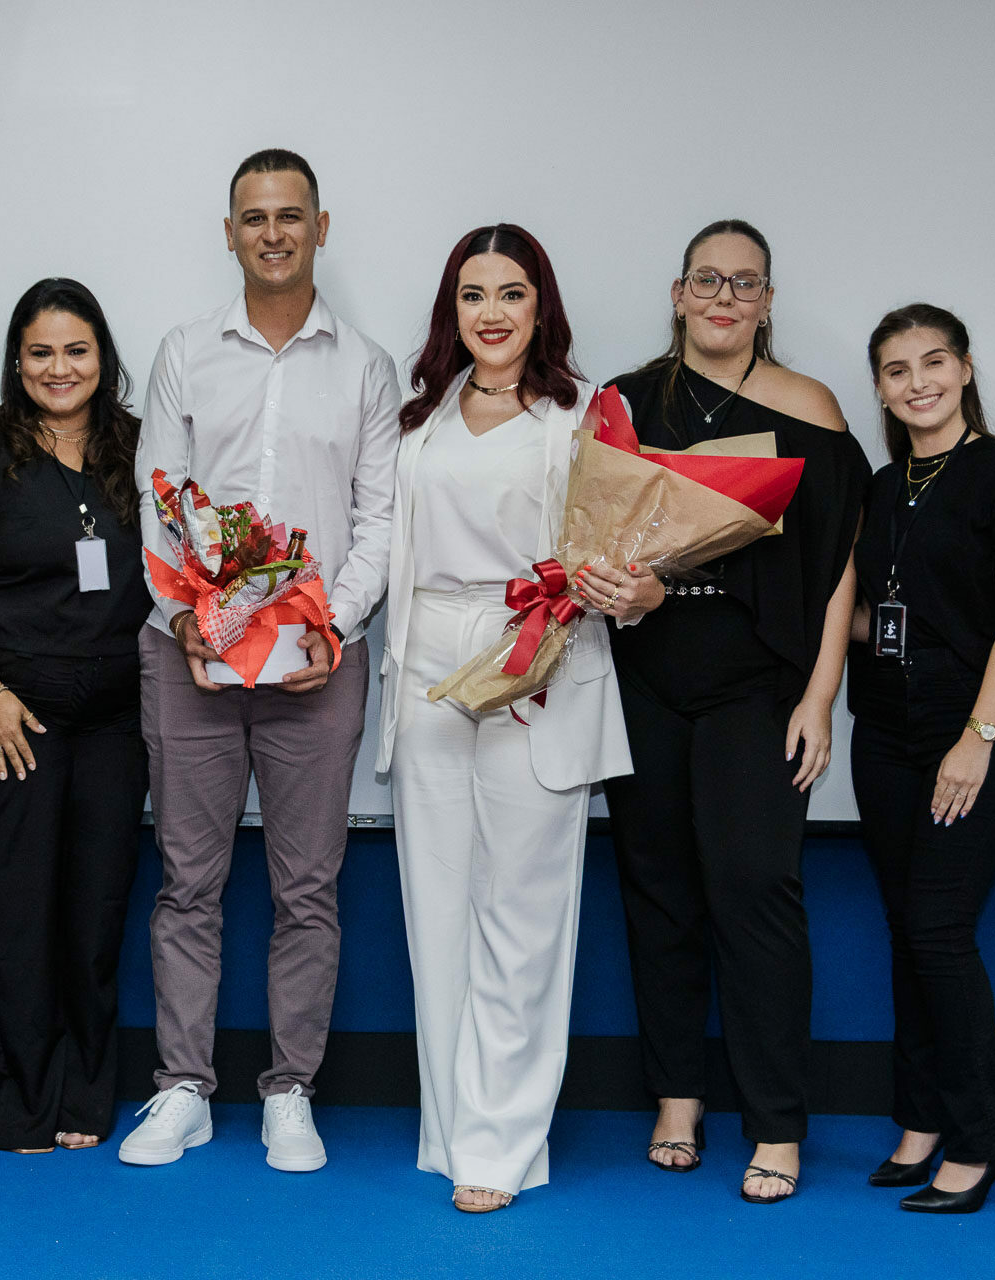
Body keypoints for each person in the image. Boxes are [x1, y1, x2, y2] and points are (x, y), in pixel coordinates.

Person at [119, 149, 400, 1172]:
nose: (272, 233)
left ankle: (290, 1090)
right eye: (254, 217)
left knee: (307, 889)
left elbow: (380, 517)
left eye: (290, 216)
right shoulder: (185, 352)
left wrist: (336, 621)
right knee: (187, 882)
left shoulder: (366, 367)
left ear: (321, 228)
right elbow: (159, 495)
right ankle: (184, 1088)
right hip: (192, 656)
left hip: (320, 662)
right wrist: (184, 617)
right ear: (229, 232)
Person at [582, 219, 869, 1205]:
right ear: (677, 293)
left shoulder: (811, 407)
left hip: (759, 685)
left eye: (745, 283)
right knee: (658, 889)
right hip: (647, 679)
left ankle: (777, 1122)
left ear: (768, 302)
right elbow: (592, 535)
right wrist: (620, 584)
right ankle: (677, 1097)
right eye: (708, 280)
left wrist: (822, 697)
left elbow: (838, 565)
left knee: (756, 890)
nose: (724, 297)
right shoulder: (626, 401)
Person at [376, 225, 631, 1212]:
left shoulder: (584, 414)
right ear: (453, 309)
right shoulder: (419, 418)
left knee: (522, 911)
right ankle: (452, 1127)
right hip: (430, 659)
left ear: (541, 307)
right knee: (437, 906)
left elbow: (620, 551)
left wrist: (614, 589)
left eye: (512, 293)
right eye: (473, 294)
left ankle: (504, 1139)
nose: (492, 312)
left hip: (538, 653)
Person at [0, 278, 153, 1154]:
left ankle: (83, 1097)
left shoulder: (138, 446)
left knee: (96, 911)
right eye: (41, 352)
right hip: (10, 715)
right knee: (13, 909)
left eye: (77, 350)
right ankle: (14, 1103)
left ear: (103, 358)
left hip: (116, 718)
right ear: (17, 362)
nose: (60, 368)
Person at [849, 304, 995, 1214]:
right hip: (885, 732)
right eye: (897, 370)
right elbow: (876, 615)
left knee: (937, 931)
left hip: (974, 732)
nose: (918, 382)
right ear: (881, 388)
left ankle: (984, 1140)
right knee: (907, 929)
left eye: (934, 362)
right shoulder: (882, 487)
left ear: (965, 369)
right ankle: (922, 1120)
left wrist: (977, 739)